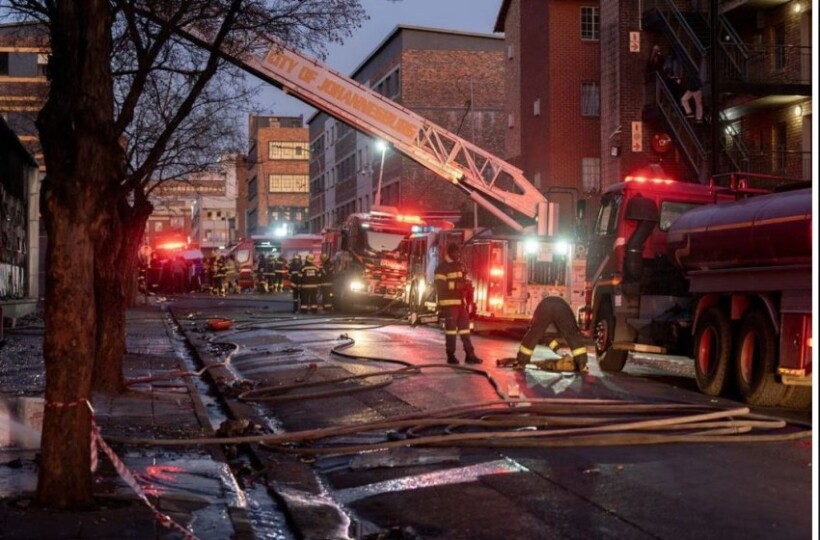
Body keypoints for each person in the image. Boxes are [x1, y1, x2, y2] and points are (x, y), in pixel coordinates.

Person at [497, 296, 588, 372]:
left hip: (545, 305)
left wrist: (561, 352)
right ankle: (582, 365)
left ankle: (521, 363)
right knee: (572, 335)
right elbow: (571, 335)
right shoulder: (558, 328)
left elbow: (545, 339)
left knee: (534, 334)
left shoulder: (544, 331)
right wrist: (561, 353)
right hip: (561, 306)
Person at [434, 242, 482, 365]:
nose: (458, 255)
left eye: (459, 252)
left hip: (461, 304)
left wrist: (467, 287)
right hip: (449, 305)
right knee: (451, 331)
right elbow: (440, 286)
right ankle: (451, 356)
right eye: (456, 253)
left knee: (465, 329)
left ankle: (470, 355)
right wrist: (456, 285)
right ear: (450, 253)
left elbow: (462, 281)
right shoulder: (442, 268)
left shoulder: (459, 266)